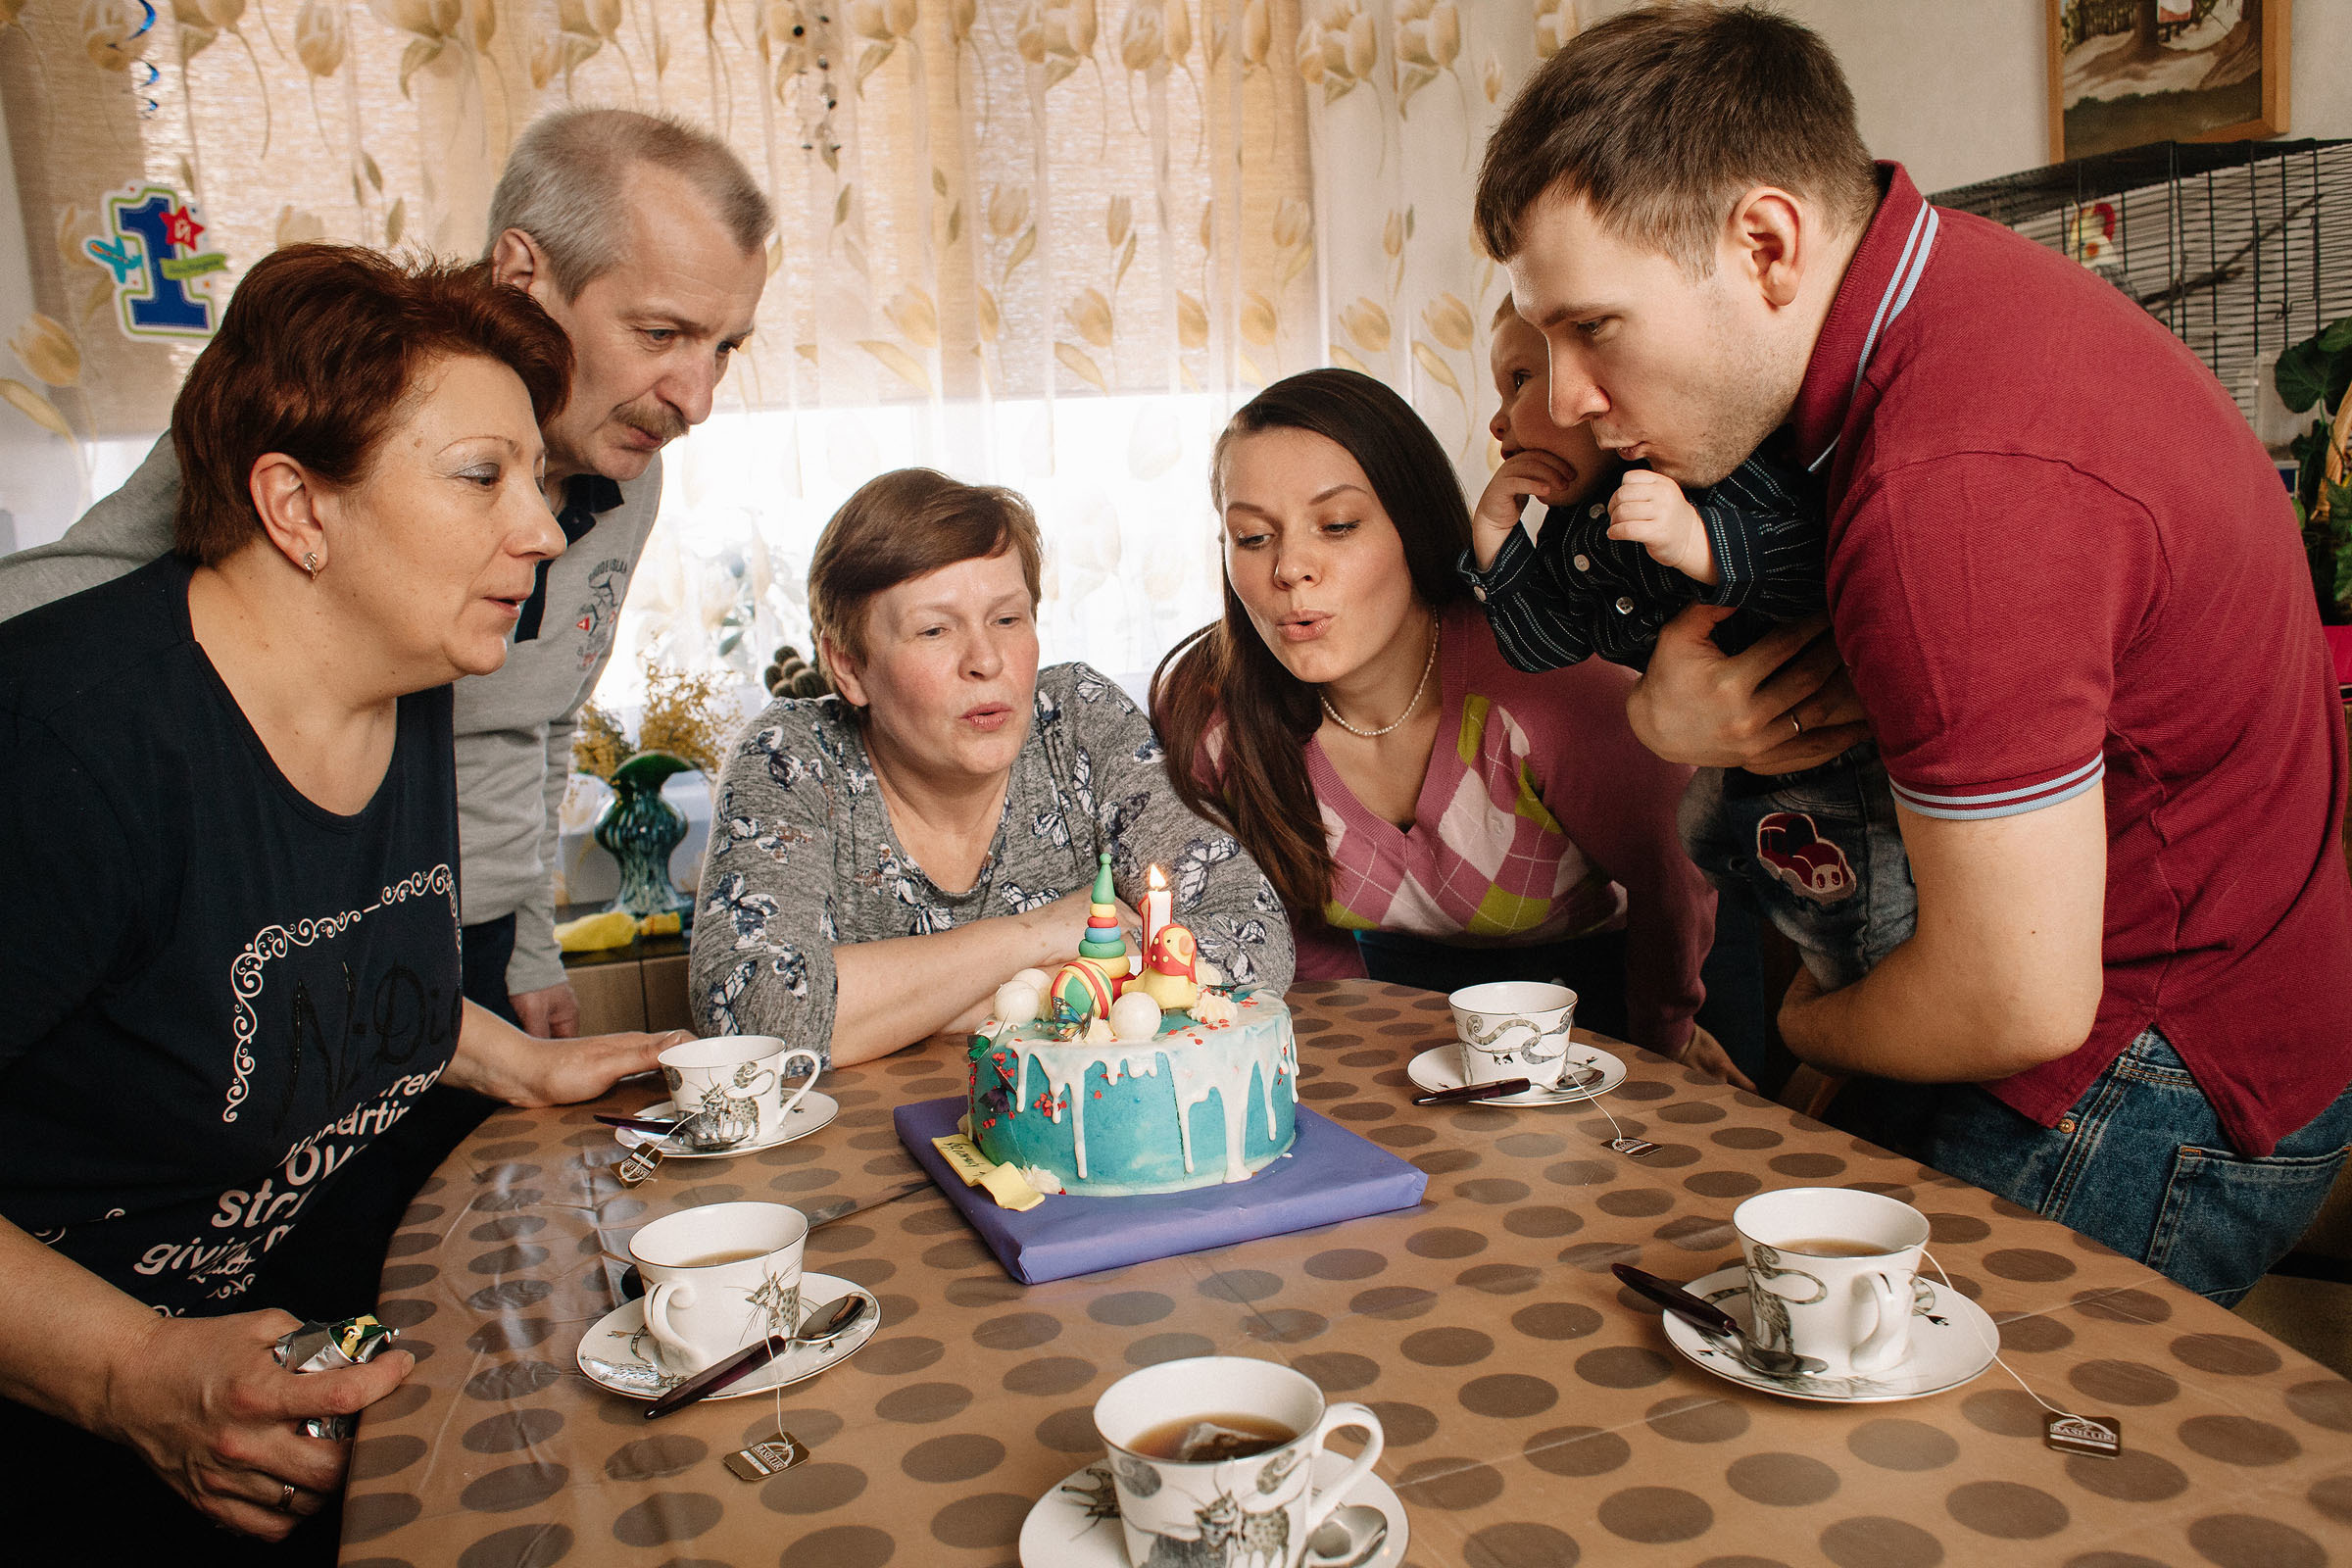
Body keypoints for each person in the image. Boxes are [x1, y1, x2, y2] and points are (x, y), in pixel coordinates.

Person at [1474, 3, 2352, 1300]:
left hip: (2152, 1056)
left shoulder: (1949, 487)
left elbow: (2014, 1000)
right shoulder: (1934, 290)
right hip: (2101, 973)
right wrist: (1666, 717)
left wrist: (1807, 1028)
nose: (1563, 401)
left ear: (1767, 244)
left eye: (1594, 328)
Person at [0, 107, 772, 1288]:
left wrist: (521, 965)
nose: (697, 395)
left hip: (417, 939)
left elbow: (543, 719)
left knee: (410, 1271)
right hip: (222, 910)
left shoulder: (432, 650)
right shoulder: (335, 408)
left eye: (727, 347)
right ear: (525, 274)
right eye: (662, 331)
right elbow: (92, 605)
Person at [0, 246, 689, 1559]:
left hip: (280, 1363)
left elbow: (300, 957)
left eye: (536, 480)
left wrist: (517, 1062)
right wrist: (128, 1374)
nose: (544, 531)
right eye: (482, 476)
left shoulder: (403, 673)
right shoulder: (65, 747)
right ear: (297, 506)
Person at [1152, 369, 1738, 1080]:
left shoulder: (1549, 689)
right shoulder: (1211, 716)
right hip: (1389, 990)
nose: (1290, 569)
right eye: (1251, 536)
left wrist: (1668, 1035)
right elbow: (1288, 938)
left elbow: (1675, 878)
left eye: (1337, 526)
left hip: (1633, 973)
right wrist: (1344, 1049)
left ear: (1413, 524)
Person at [687, 468, 1294, 1061]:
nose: (986, 660)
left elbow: (1254, 937)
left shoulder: (1078, 719)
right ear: (849, 666)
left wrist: (918, 1009)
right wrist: (1043, 934)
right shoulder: (790, 757)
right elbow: (751, 1018)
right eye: (934, 630)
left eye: (1007, 619)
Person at [1465, 297, 1915, 1005]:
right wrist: (1497, 538)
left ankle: (1865, 999)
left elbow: (1825, 562)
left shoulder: (1703, 470)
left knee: (1846, 918)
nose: (1498, 421)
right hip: (1731, 763)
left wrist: (1698, 541)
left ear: (1595, 387)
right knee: (1701, 835)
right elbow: (1547, 646)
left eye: (1519, 380)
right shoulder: (1569, 529)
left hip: (1834, 748)